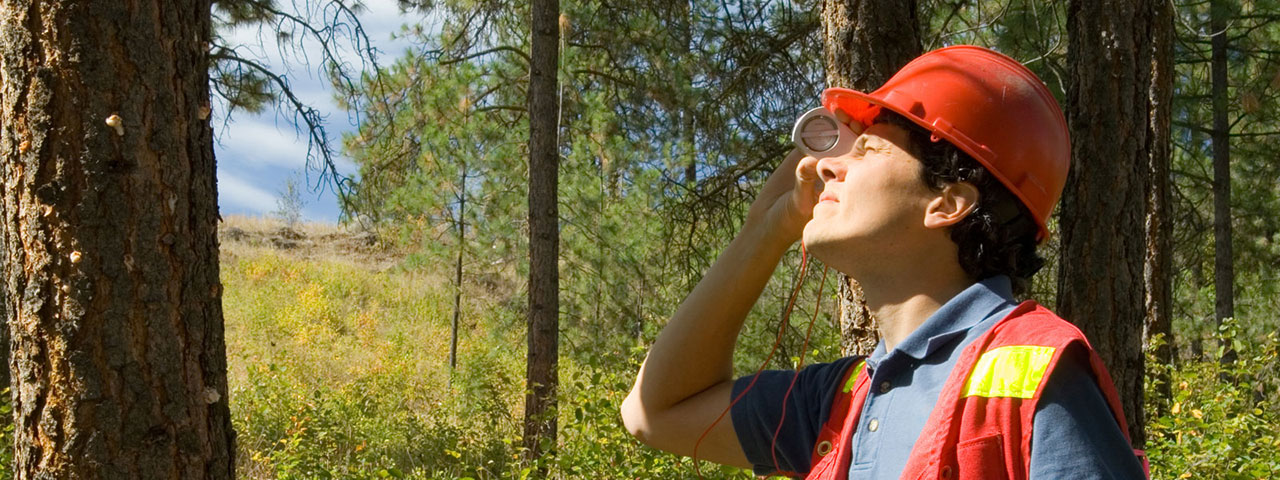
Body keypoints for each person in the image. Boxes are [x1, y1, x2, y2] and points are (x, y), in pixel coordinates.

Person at [620, 45, 1148, 479]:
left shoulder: (1035, 372)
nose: (825, 168)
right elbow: (654, 412)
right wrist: (768, 227)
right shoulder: (839, 400)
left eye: (867, 150)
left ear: (948, 203)